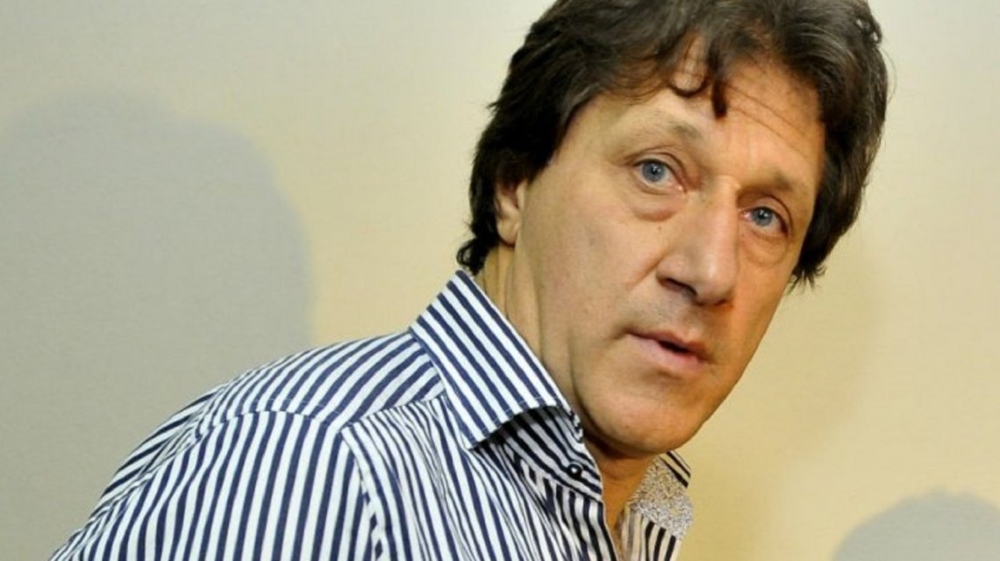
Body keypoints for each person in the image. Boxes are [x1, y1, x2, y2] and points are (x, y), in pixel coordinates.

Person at [51, 0, 888, 559]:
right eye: (657, 171)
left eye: (766, 216)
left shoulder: (630, 520)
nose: (709, 269)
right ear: (515, 184)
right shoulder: (317, 466)